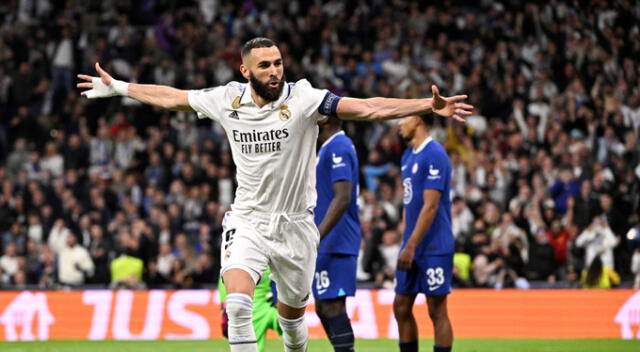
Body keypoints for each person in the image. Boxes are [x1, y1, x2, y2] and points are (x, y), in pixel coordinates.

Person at [77, 37, 473, 352]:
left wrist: (426, 104)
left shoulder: (304, 99)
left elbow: (367, 108)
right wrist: (120, 88)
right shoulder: (226, 99)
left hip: (297, 225)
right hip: (247, 219)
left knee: (293, 322)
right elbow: (173, 97)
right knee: (236, 306)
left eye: (278, 62)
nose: (273, 70)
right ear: (245, 69)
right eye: (264, 64)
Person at [394, 115, 454, 352]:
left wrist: (411, 245)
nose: (399, 124)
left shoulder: (435, 154)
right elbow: (409, 204)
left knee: (436, 310)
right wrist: (405, 241)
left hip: (434, 246)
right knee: (401, 306)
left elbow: (431, 206)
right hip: (411, 244)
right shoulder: (407, 156)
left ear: (418, 121)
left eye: (403, 119)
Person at [313, 116, 361, 351]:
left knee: (332, 305)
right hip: (328, 241)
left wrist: (318, 235)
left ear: (328, 119)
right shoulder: (328, 148)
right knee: (322, 305)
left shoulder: (338, 147)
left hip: (336, 239)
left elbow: (343, 197)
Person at [219, 267, 283, 352]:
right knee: (294, 333)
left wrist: (225, 308)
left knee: (294, 332)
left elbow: (224, 283)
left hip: (255, 309)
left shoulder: (236, 264)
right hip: (262, 308)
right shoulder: (269, 261)